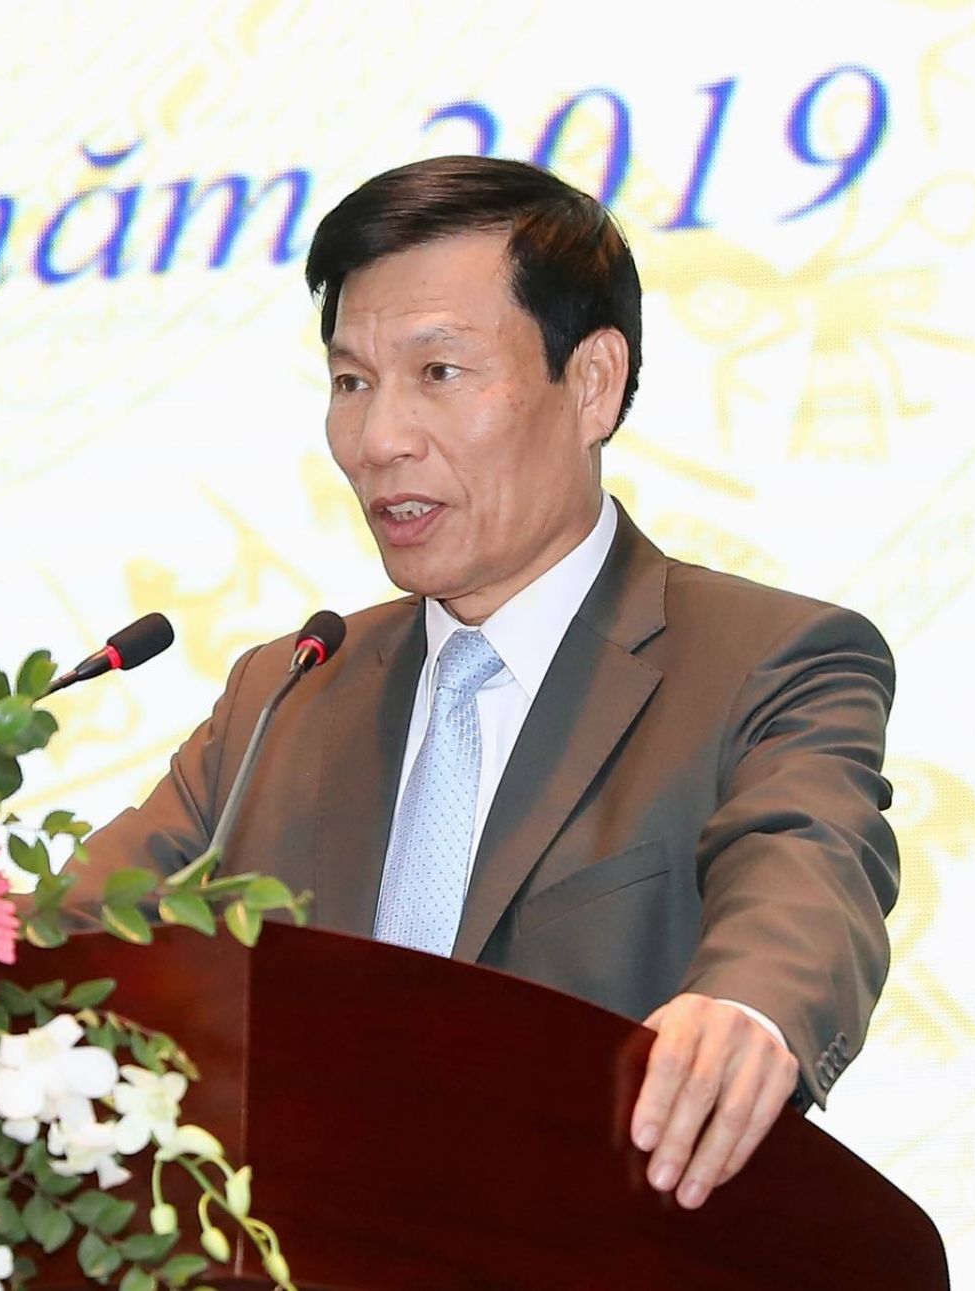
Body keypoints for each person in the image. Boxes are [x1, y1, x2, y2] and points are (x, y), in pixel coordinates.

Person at [85, 155, 899, 1211]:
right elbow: (78, 935)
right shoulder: (284, 695)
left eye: (439, 372)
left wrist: (749, 1010)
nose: (379, 440)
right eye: (351, 382)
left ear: (592, 382)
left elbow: (809, 863)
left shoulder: (765, 661)